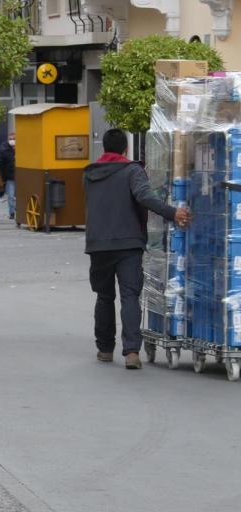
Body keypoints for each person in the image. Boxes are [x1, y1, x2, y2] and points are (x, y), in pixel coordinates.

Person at [84, 129, 190, 369]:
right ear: (125, 149)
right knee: (130, 296)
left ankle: (104, 348)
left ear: (104, 149)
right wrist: (173, 213)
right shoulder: (132, 171)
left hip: (98, 244)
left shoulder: (89, 174)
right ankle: (132, 352)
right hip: (128, 243)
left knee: (104, 296)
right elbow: (144, 196)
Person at [0, 135, 16, 220]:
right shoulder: (5, 150)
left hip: (21, 176)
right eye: (10, 139)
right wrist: (4, 177)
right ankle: (12, 212)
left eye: (14, 139)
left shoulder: (21, 148)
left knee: (20, 196)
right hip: (10, 177)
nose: (12, 140)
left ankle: (18, 210)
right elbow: (2, 165)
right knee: (11, 196)